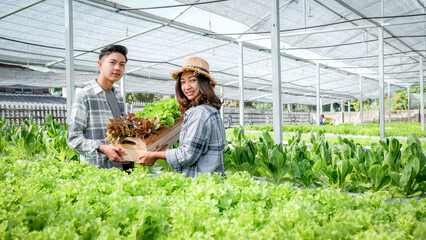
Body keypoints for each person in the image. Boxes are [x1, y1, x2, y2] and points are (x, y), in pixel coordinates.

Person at [136, 56, 226, 178]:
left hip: (198, 183)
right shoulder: (210, 110)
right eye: (183, 82)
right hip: (209, 182)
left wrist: (154, 155)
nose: (186, 87)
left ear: (204, 83)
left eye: (192, 80)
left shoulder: (200, 113)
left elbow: (187, 155)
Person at [68, 45, 134, 171]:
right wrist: (103, 148)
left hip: (120, 170)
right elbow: (74, 138)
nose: (117, 68)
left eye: (122, 64)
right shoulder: (84, 96)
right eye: (112, 62)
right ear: (100, 64)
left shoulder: (118, 96)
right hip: (96, 173)